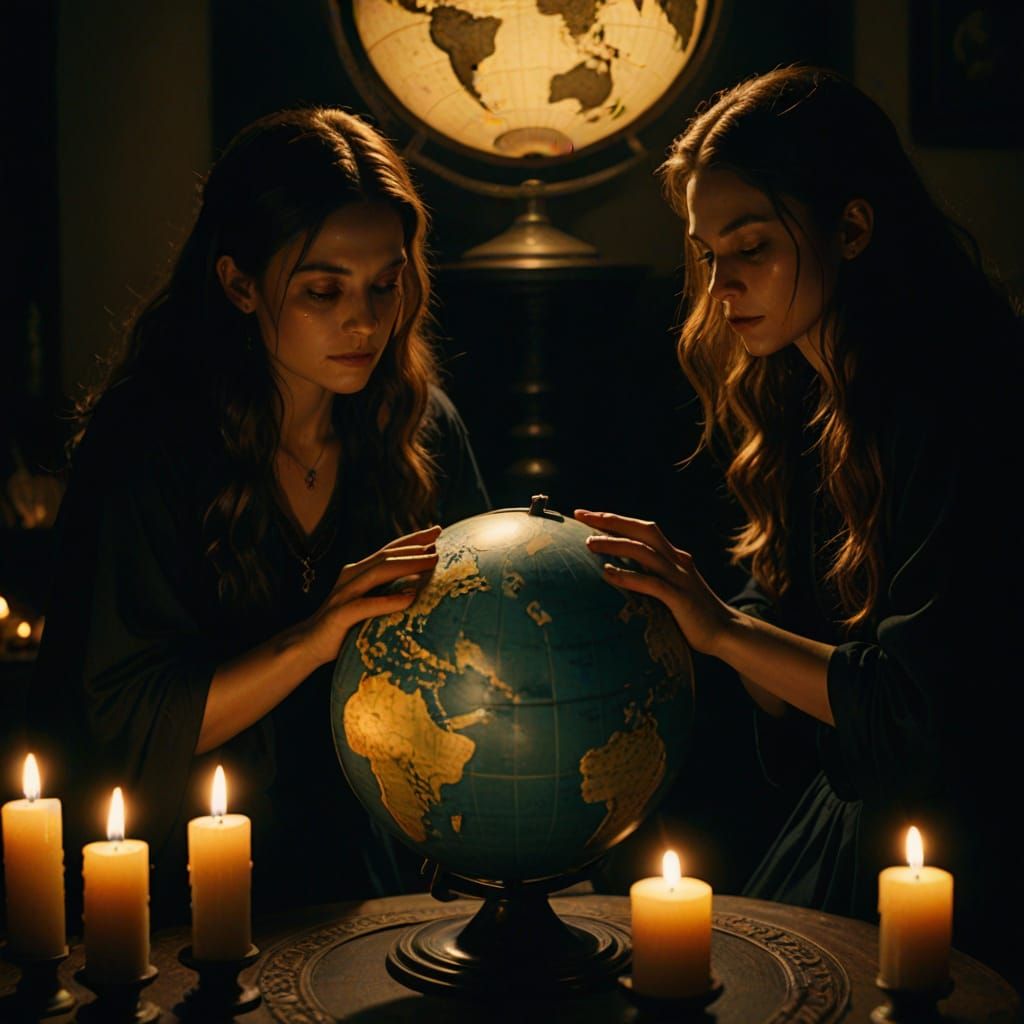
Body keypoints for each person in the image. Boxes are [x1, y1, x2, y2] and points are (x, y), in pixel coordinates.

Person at [577, 65, 1024, 989]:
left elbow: (919, 717)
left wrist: (724, 630)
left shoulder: (955, 400)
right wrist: (675, 618)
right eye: (707, 254)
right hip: (863, 807)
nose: (724, 283)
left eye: (753, 247)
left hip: (967, 834)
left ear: (852, 229)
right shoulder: (804, 392)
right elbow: (789, 672)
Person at [25, 107, 490, 926]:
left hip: (377, 867)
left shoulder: (419, 429)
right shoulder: (149, 444)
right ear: (239, 283)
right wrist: (313, 638)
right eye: (323, 290)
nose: (365, 320)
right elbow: (121, 725)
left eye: (386, 284)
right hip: (194, 880)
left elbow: (482, 649)